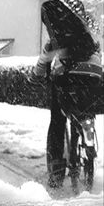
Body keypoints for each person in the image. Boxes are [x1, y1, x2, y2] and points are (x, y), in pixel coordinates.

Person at [30, 34, 102, 190]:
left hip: (66, 77)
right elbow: (98, 56)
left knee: (57, 119)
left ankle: (56, 171)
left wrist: (35, 77)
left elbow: (44, 60)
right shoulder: (88, 32)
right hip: (93, 77)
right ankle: (88, 140)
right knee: (87, 108)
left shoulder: (58, 32)